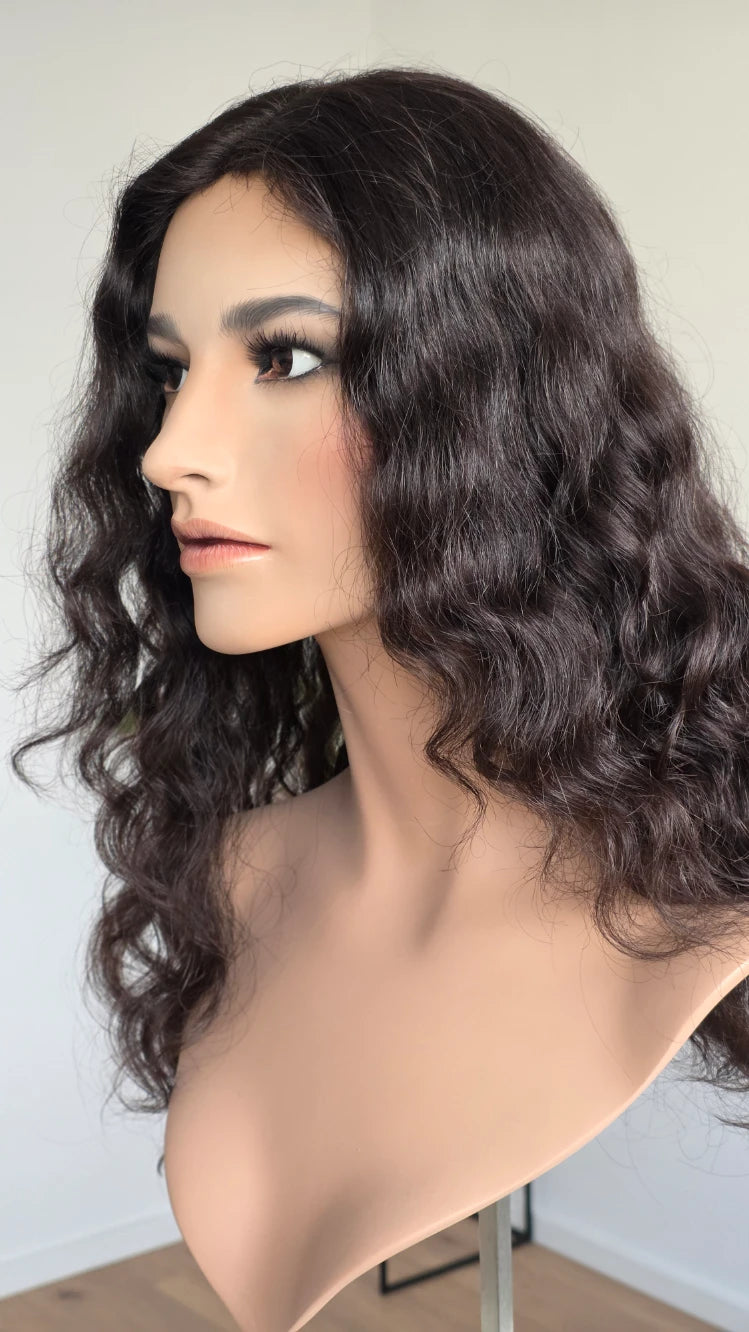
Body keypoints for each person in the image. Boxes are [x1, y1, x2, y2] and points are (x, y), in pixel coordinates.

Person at [12, 68, 749, 1332]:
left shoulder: (683, 922)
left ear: (496, 397)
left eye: (285, 357)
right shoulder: (238, 878)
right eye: (172, 370)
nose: (168, 451)